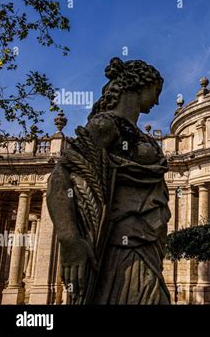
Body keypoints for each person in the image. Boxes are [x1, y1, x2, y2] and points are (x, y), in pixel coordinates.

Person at [47, 57, 171, 304]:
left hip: (146, 241)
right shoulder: (106, 125)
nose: (157, 100)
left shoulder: (135, 132)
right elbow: (59, 178)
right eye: (155, 91)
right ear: (137, 85)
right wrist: (69, 239)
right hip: (122, 243)